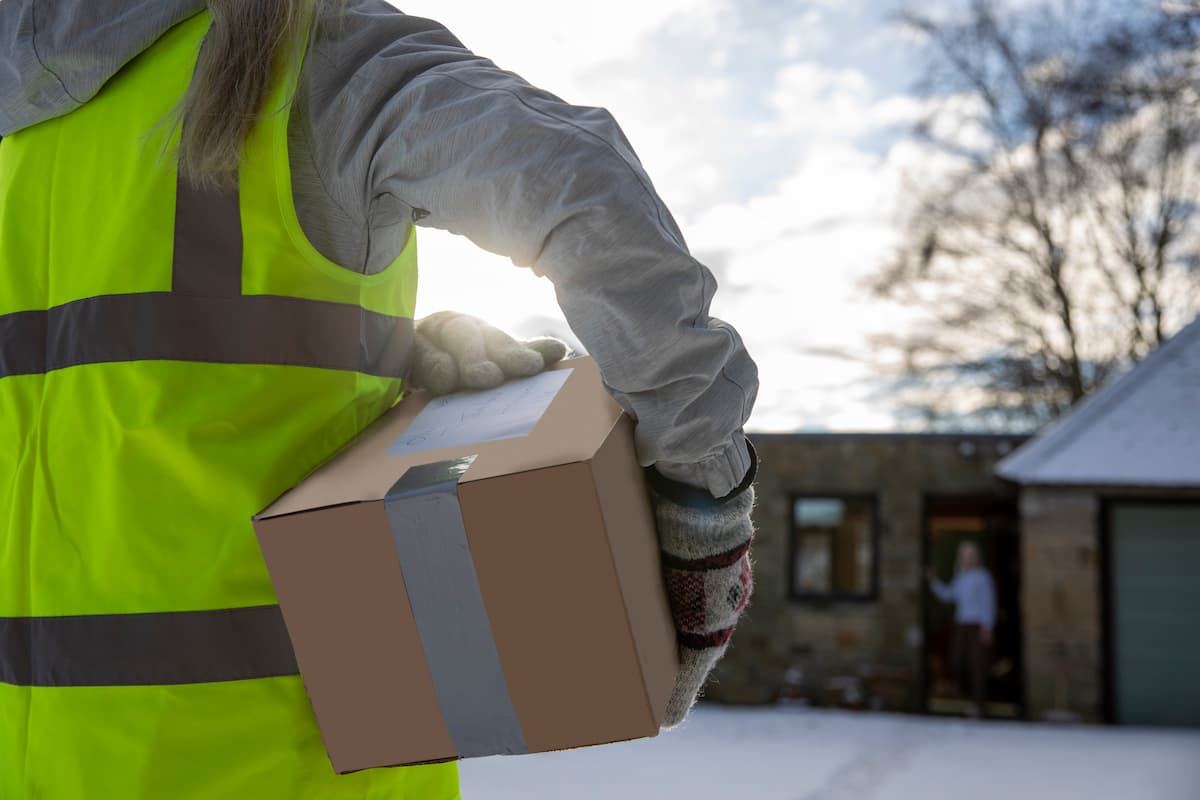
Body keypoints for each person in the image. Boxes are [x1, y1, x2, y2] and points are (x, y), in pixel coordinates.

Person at [0, 1, 759, 798]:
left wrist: (374, 354)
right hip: (284, 771)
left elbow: (78, 396)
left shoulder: (19, 128)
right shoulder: (306, 51)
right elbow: (580, 190)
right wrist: (700, 498)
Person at [927, 541, 997, 718]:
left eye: (970, 555)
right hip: (961, 624)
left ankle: (979, 705)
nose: (967, 558)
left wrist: (987, 627)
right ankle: (966, 697)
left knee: (977, 664)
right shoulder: (960, 577)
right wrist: (933, 581)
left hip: (977, 625)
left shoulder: (983, 576)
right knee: (957, 660)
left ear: (976, 557)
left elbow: (988, 602)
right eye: (964, 555)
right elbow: (949, 596)